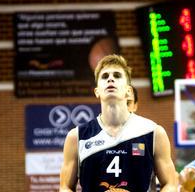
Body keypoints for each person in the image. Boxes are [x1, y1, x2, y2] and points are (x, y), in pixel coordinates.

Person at [60, 54, 177, 192]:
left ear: (128, 91)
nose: (110, 79)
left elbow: (170, 184)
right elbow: (65, 187)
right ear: (97, 91)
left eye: (117, 75)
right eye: (104, 77)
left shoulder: (153, 133)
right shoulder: (77, 136)